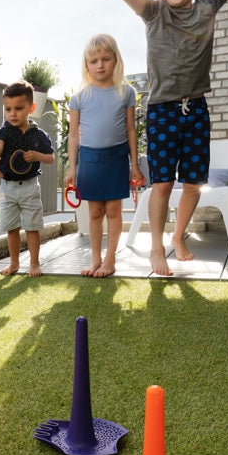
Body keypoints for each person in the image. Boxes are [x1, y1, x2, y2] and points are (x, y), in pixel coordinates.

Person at [71, 0, 228, 276]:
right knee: (162, 184)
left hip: (196, 109)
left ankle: (178, 236)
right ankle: (157, 249)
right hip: (162, 110)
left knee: (193, 183)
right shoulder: (154, 12)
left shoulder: (208, 3)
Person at [64, 34, 144, 278]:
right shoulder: (79, 97)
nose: (100, 65)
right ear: (86, 65)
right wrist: (71, 168)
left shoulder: (126, 92)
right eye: (94, 61)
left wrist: (135, 164)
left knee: (114, 211)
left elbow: (131, 130)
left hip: (116, 159)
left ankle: (110, 259)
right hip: (89, 161)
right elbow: (73, 136)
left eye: (106, 59)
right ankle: (96, 258)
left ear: (116, 60)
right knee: (95, 213)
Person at [0, 80, 55, 277]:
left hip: (30, 187)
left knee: (32, 227)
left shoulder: (38, 135)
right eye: (8, 109)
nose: (13, 114)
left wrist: (37, 156)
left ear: (31, 108)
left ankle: (34, 263)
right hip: (7, 188)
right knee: (11, 228)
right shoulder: (4, 132)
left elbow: (50, 158)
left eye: (18, 108)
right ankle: (14, 263)